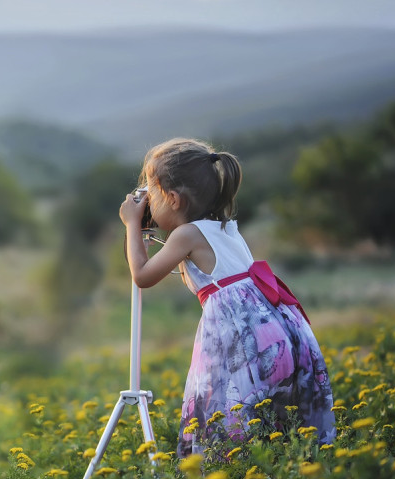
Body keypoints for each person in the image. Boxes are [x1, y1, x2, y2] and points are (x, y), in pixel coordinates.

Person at [119, 137, 334, 457]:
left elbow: (142, 276)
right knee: (274, 423)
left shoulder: (186, 234)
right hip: (280, 334)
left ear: (174, 199)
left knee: (224, 416)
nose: (147, 201)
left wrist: (132, 225)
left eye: (152, 192)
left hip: (240, 341)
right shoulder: (225, 227)